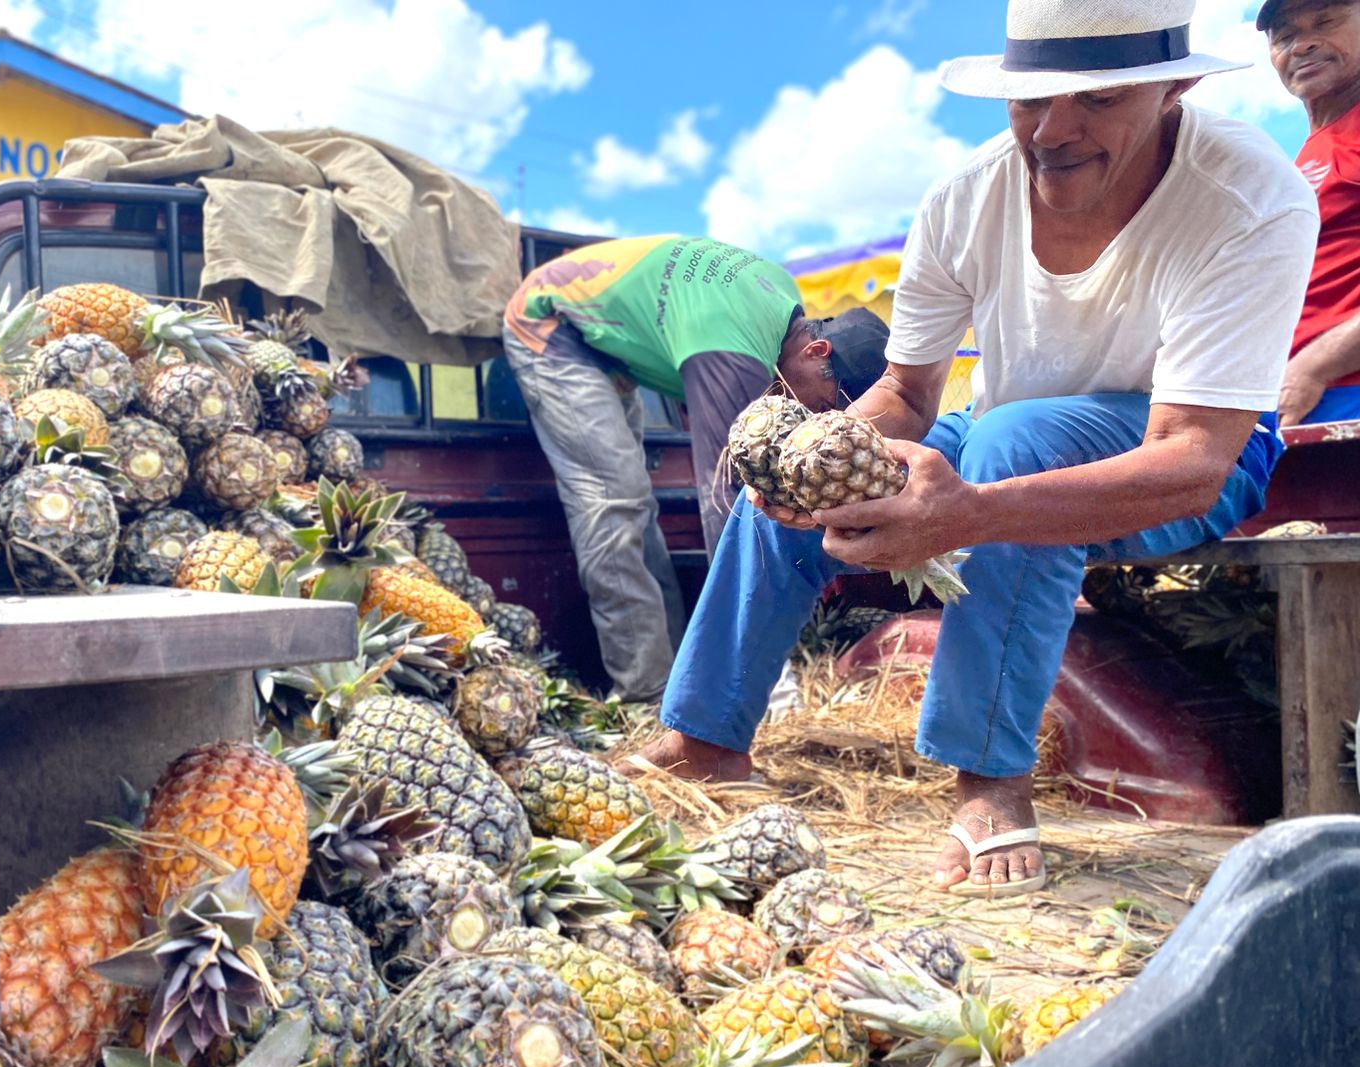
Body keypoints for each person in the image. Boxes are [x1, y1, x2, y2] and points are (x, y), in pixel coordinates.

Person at [627, 0, 1319, 896]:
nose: (1053, 131)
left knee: (1010, 444)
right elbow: (910, 395)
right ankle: (705, 735)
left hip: (1183, 445)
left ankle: (990, 778)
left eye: (1096, 101)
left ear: (1172, 89)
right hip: (1000, 424)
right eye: (1030, 99)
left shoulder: (1249, 197)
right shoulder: (965, 198)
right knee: (810, 456)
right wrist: (814, 458)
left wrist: (970, 513)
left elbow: (1193, 457)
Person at [502, 236, 890, 702]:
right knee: (614, 501)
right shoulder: (733, 349)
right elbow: (727, 506)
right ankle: (647, 693)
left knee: (636, 504)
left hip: (611, 338)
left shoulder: (781, 300)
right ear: (816, 352)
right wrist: (768, 671)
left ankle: (672, 680)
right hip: (552, 323)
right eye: (827, 404)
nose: (818, 418)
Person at [1261, 0, 1360, 425]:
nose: (1302, 45)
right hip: (1293, 399)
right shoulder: (1309, 152)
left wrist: (1315, 367)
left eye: (1325, 22)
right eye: (1285, 36)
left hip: (1340, 394)